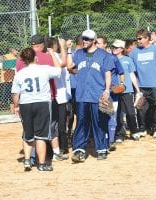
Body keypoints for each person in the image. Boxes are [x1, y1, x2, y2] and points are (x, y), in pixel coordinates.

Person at [67, 29, 114, 162]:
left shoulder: (103, 55)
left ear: (94, 40)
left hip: (97, 93)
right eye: (83, 38)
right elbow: (70, 66)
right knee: (81, 122)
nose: (85, 41)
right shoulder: (79, 53)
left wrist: (107, 90)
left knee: (99, 122)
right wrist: (69, 49)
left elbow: (107, 74)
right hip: (82, 95)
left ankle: (101, 149)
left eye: (87, 39)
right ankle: (79, 150)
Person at [12, 47, 62, 172]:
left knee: (28, 135)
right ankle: (41, 164)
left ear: (23, 60)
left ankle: (27, 160)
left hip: (26, 104)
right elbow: (58, 70)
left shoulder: (20, 73)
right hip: (42, 103)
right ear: (36, 58)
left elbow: (15, 94)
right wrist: (51, 53)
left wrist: (16, 106)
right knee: (40, 136)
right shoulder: (43, 69)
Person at [129, 29, 156, 139]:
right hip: (141, 86)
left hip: (154, 84)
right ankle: (143, 128)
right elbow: (131, 69)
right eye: (137, 38)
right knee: (141, 108)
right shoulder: (134, 52)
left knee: (155, 108)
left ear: (147, 38)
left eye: (140, 38)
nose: (138, 40)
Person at [112, 39, 142, 143]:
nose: (114, 49)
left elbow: (132, 75)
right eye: (113, 47)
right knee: (118, 113)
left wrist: (137, 90)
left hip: (127, 90)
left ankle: (134, 131)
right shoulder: (110, 59)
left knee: (130, 112)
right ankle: (120, 134)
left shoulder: (127, 60)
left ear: (122, 49)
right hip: (115, 91)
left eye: (116, 48)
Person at [46, 37, 70, 160]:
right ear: (54, 46)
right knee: (61, 125)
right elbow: (63, 64)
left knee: (52, 124)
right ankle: (63, 148)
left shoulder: (44, 57)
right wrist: (63, 47)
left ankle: (51, 150)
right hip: (59, 95)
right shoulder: (54, 55)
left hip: (51, 95)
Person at [0, 48, 18, 115]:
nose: (17, 51)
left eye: (17, 50)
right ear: (12, 50)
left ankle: (13, 112)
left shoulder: (16, 58)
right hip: (5, 80)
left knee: (11, 96)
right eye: (16, 50)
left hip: (12, 80)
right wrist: (12, 66)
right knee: (2, 95)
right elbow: (5, 65)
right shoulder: (6, 56)